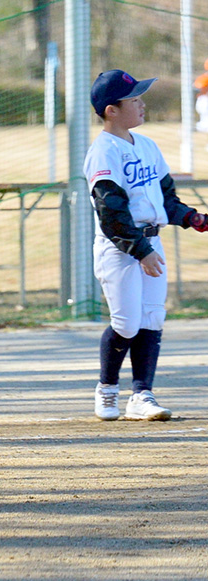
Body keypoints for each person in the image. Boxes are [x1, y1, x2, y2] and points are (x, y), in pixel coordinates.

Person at [86, 70, 208, 421]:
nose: (142, 104)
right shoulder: (103, 152)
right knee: (126, 323)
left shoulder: (148, 146)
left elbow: (165, 199)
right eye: (134, 99)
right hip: (120, 249)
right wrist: (141, 250)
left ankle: (142, 395)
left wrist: (193, 219)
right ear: (111, 110)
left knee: (152, 318)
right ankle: (107, 389)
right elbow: (111, 212)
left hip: (151, 242)